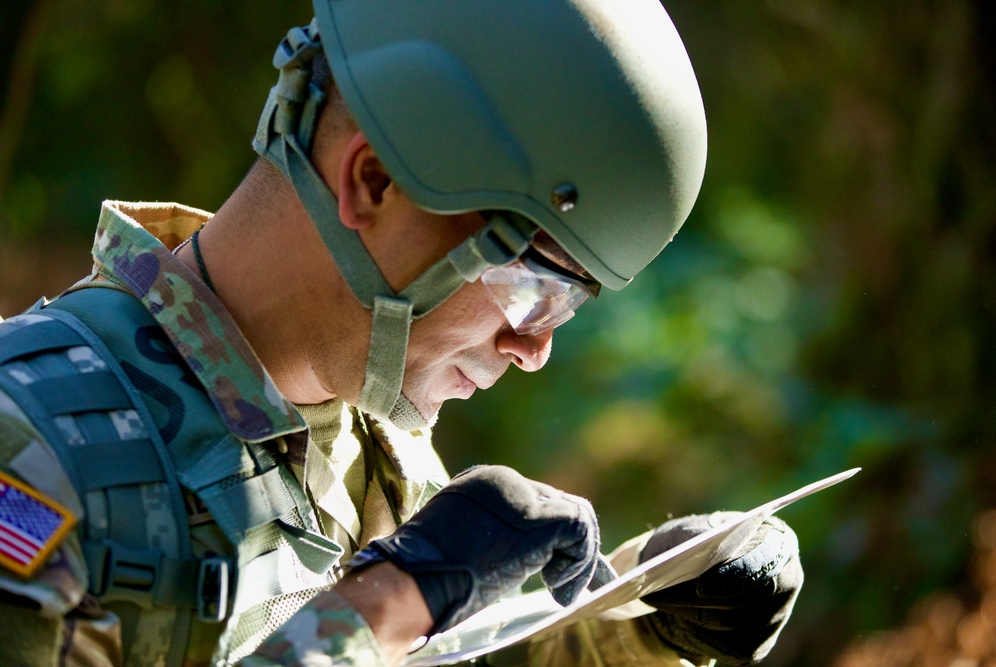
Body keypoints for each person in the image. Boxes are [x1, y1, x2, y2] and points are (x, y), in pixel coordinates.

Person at [0, 1, 803, 666]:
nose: (534, 349)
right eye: (536, 287)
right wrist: (392, 599)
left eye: (570, 307)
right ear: (373, 182)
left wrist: (642, 621)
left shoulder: (373, 447)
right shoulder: (30, 452)